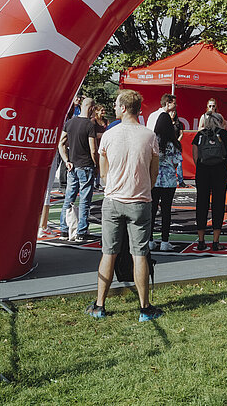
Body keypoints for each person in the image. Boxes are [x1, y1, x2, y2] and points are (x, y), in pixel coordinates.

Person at [86, 90, 162, 322]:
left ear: (124, 108)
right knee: (140, 253)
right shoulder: (149, 136)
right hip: (140, 201)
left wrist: (113, 187)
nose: (114, 109)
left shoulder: (109, 135)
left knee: (108, 253)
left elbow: (104, 170)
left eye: (116, 105)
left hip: (114, 201)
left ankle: (100, 305)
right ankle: (144, 308)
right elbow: (154, 172)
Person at [57, 96, 98, 242]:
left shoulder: (70, 123)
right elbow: (93, 149)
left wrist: (66, 160)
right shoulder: (89, 125)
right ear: (92, 108)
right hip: (86, 165)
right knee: (84, 200)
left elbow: (61, 143)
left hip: (72, 165)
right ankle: (81, 231)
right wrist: (97, 164)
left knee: (69, 198)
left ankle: (64, 229)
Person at [192, 111, 227, 251]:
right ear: (220, 121)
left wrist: (202, 166)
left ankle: (201, 240)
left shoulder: (199, 135)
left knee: (201, 203)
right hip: (220, 171)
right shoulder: (226, 135)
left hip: (203, 171)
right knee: (218, 203)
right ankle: (216, 241)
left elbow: (195, 157)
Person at [150, 111, 182, 252]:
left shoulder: (151, 140)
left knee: (151, 210)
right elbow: (176, 163)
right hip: (169, 181)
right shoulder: (174, 143)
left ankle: (150, 240)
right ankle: (165, 241)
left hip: (154, 179)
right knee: (166, 211)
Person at [92, 104, 108, 189]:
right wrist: (103, 134)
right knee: (96, 163)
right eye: (101, 110)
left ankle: (98, 182)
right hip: (96, 143)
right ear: (97, 111)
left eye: (104, 110)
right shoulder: (93, 121)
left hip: (103, 143)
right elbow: (94, 134)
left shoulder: (105, 121)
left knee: (102, 163)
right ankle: (94, 181)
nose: (103, 112)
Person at [169, 107, 186, 187]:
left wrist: (177, 141)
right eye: (171, 112)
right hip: (168, 146)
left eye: (174, 112)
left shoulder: (178, 123)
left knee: (179, 163)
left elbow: (181, 134)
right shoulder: (166, 123)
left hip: (176, 146)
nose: (173, 114)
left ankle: (181, 181)